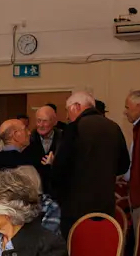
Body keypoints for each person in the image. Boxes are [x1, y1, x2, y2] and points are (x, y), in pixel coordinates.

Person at [53, 92, 127, 230]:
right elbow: (123, 165)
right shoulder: (113, 127)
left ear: (77, 107)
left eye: (67, 110)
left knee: (77, 246)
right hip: (106, 203)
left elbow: (61, 168)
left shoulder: (74, 128)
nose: (67, 116)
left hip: (77, 206)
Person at [21, 105, 61, 177]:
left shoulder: (63, 139)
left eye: (45, 121)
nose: (41, 125)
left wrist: (56, 163)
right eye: (39, 121)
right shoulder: (28, 140)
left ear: (55, 122)